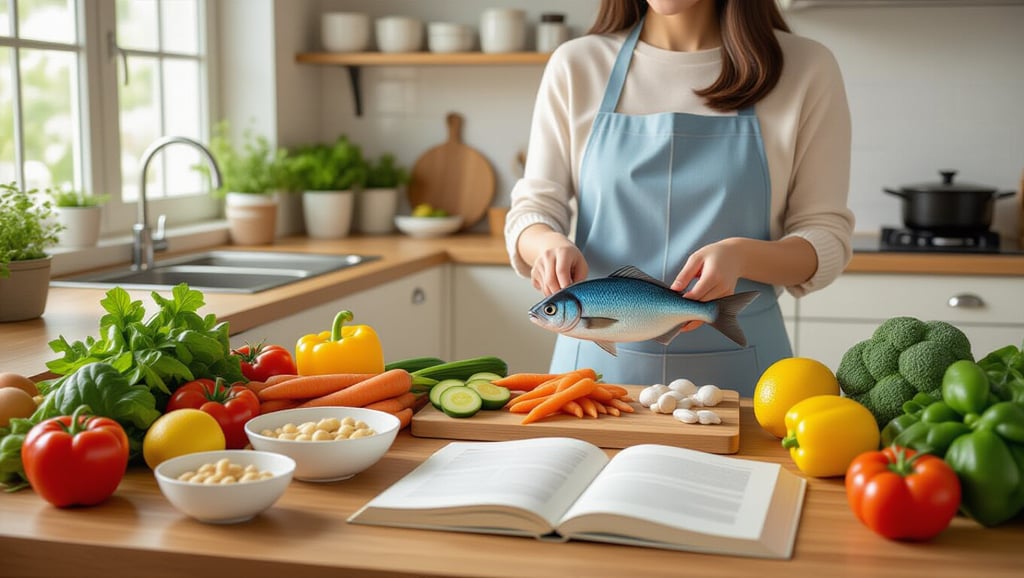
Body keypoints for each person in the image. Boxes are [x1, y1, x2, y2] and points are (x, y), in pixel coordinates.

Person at [504, 0, 854, 396]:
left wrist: (741, 255)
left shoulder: (806, 67)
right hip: (589, 381)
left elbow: (825, 236)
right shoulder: (577, 64)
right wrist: (547, 244)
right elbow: (533, 209)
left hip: (748, 385)